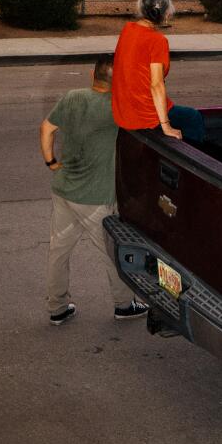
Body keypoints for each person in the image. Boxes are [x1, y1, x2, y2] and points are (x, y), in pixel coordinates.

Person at [40, 54, 148, 326]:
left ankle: (57, 308)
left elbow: (46, 129)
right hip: (95, 198)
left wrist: (52, 162)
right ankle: (124, 305)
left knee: (59, 251)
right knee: (112, 253)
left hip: (64, 190)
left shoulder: (71, 97)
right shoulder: (118, 108)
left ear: (92, 76)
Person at [111, 0, 205, 142]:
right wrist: (166, 125)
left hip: (123, 111)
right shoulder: (157, 41)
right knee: (193, 117)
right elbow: (156, 85)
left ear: (141, 7)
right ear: (166, 12)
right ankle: (195, 163)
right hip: (143, 115)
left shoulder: (127, 30)